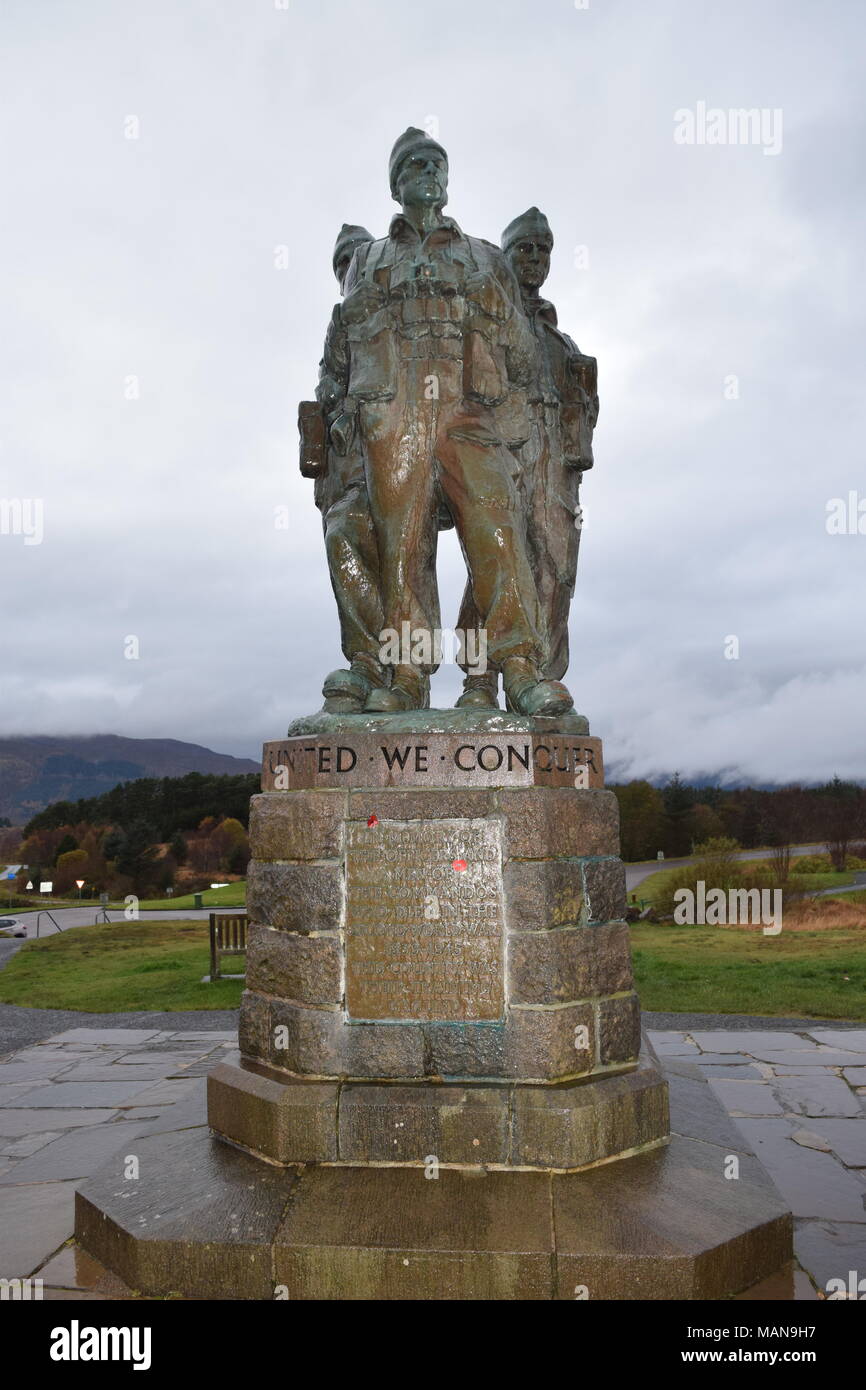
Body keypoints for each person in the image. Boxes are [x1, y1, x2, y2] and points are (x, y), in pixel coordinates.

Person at [337, 129, 574, 716]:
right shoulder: (366, 261)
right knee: (402, 550)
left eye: (436, 164)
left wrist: (491, 306)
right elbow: (344, 350)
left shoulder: (485, 257)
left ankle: (518, 666)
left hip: (470, 414)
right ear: (395, 184)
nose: (427, 172)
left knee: (498, 532)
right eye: (414, 165)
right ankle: (408, 677)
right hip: (395, 414)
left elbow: (521, 355)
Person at [456, 207, 599, 709]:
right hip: (501, 450)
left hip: (554, 463)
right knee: (495, 561)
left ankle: (540, 676)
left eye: (544, 250)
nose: (535, 258)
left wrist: (584, 401)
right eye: (525, 248)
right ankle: (479, 680)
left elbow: (585, 412)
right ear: (508, 255)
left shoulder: (562, 341)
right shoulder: (488, 316)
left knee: (556, 567)